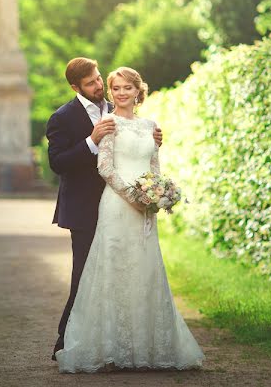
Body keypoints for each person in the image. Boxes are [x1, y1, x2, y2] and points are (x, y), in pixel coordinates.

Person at [55, 66, 205, 373]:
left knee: (145, 270)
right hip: (116, 205)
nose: (119, 92)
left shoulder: (150, 125)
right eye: (115, 88)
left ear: (139, 90)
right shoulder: (105, 123)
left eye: (127, 87)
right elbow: (105, 168)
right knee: (110, 271)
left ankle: (147, 347)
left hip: (144, 209)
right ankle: (107, 346)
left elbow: (154, 166)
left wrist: (158, 194)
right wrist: (135, 197)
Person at [46, 57, 162, 361]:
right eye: (91, 83)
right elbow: (58, 163)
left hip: (123, 208)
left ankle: (122, 342)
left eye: (99, 79)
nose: (99, 86)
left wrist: (153, 142)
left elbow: (134, 141)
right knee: (85, 276)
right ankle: (66, 340)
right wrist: (90, 141)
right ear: (75, 87)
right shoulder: (62, 118)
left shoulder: (116, 108)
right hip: (85, 209)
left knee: (124, 276)